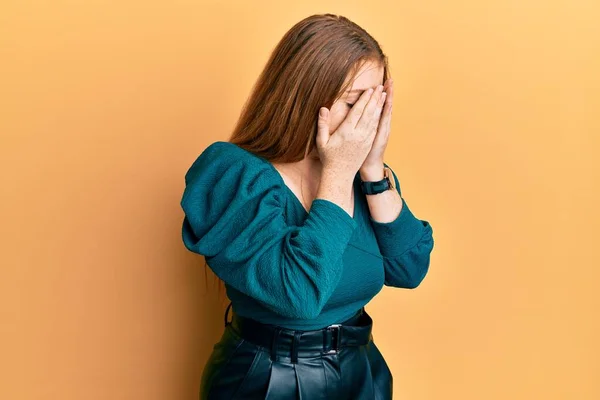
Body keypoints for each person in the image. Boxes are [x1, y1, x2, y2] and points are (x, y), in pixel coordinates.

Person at [180, 13, 434, 400]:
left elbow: (410, 269)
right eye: (354, 102)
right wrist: (337, 174)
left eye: (376, 102)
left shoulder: (361, 177)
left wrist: (372, 171)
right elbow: (298, 295)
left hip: (361, 370)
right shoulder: (233, 174)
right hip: (269, 379)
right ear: (306, 98)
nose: (366, 120)